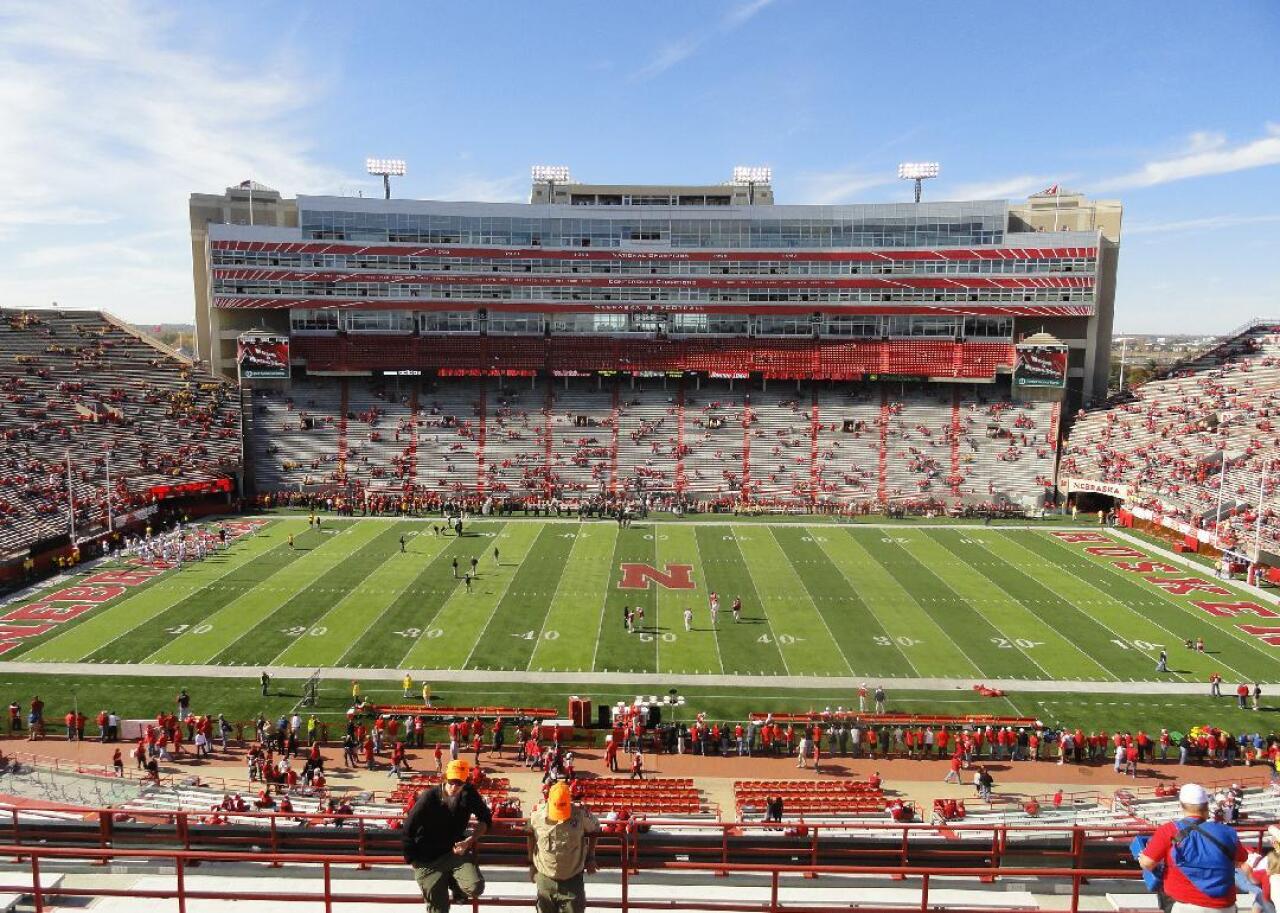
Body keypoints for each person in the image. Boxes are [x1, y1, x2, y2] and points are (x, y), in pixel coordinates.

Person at [1138, 783, 1251, 913]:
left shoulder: (1169, 830)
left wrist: (1142, 857)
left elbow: (1147, 863)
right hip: (1224, 906)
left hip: (1184, 905)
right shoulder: (1227, 832)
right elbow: (1241, 859)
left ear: (1182, 806)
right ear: (1207, 806)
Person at [402, 759, 492, 913]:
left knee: (475, 886)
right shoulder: (429, 798)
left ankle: (454, 882)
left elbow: (486, 819)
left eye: (459, 782)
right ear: (444, 778)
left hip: (453, 851)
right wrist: (412, 860)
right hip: (427, 858)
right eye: (451, 781)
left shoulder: (468, 793)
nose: (454, 786)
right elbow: (408, 828)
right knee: (438, 909)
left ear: (465, 782)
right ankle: (451, 880)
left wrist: (470, 840)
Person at [527, 781, 600, 913]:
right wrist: (531, 863)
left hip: (572, 881)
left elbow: (595, 829)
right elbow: (529, 835)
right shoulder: (537, 816)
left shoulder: (580, 815)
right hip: (545, 880)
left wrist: (591, 856)